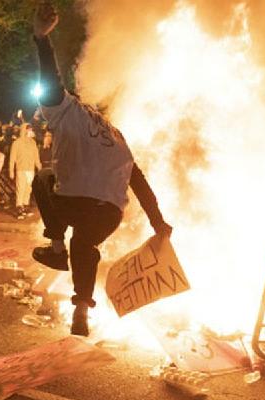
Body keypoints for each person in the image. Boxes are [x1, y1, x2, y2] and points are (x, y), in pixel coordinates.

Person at [30, 1, 172, 336]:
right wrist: (158, 222)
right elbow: (140, 183)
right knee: (86, 247)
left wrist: (40, 38)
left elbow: (50, 81)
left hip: (73, 200)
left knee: (43, 178)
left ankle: (54, 247)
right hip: (108, 212)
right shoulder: (119, 137)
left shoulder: (69, 111)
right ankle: (80, 310)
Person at [9, 122, 41, 220]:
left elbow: (36, 156)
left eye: (31, 129)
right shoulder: (17, 143)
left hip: (31, 169)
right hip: (21, 169)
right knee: (21, 188)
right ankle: (19, 207)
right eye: (29, 129)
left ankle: (25, 205)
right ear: (24, 130)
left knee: (29, 188)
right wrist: (11, 170)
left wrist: (39, 166)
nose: (30, 131)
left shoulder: (33, 143)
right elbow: (12, 158)